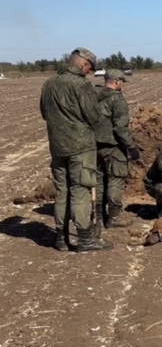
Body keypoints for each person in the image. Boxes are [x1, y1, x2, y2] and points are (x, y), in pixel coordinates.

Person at [39, 47, 113, 251]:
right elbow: (94, 117)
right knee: (80, 191)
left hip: (57, 148)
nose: (89, 72)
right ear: (83, 63)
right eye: (89, 68)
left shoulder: (49, 84)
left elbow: (44, 114)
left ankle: (61, 239)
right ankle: (85, 240)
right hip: (80, 148)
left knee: (62, 192)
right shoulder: (81, 85)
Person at [94, 69, 140, 228]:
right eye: (122, 82)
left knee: (98, 180)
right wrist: (131, 147)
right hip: (113, 146)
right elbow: (120, 128)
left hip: (94, 146)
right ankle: (114, 218)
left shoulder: (93, 95)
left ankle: (98, 217)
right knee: (115, 179)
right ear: (117, 82)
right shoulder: (117, 100)